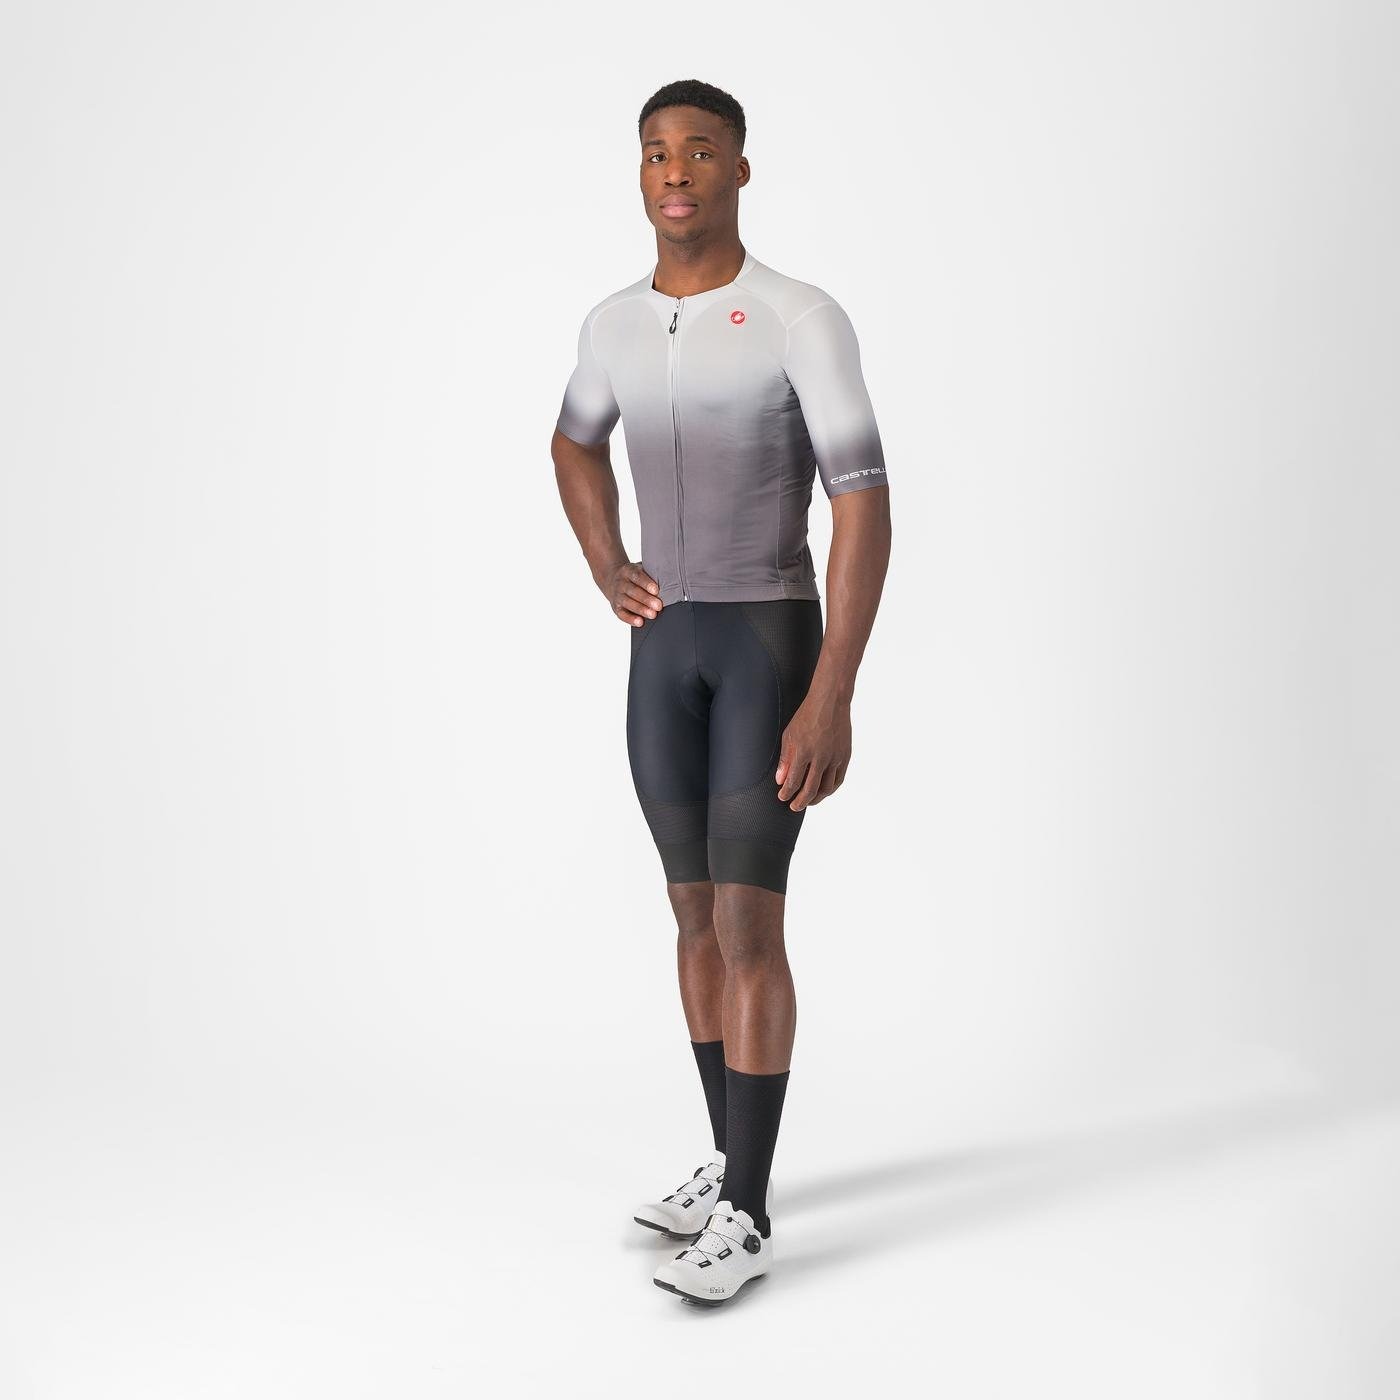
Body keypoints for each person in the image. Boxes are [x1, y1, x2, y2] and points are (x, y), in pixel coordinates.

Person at [550, 78, 892, 1306]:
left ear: (739, 169)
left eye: (699, 150)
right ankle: (728, 1164)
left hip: (765, 638)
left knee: (750, 925)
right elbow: (572, 439)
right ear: (639, 174)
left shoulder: (798, 316)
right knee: (689, 915)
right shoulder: (612, 324)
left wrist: (831, 689)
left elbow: (862, 502)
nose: (675, 170)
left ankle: (746, 1213)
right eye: (655, 152)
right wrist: (607, 560)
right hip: (664, 651)